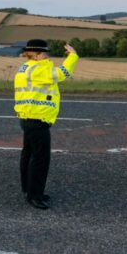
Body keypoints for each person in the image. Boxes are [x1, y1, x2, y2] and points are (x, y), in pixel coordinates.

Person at [14, 40, 79, 210]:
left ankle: (28, 189)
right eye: (44, 53)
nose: (46, 55)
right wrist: (73, 56)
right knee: (40, 159)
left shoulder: (25, 67)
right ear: (36, 54)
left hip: (27, 117)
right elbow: (62, 73)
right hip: (38, 119)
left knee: (28, 155)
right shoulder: (38, 69)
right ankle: (35, 196)